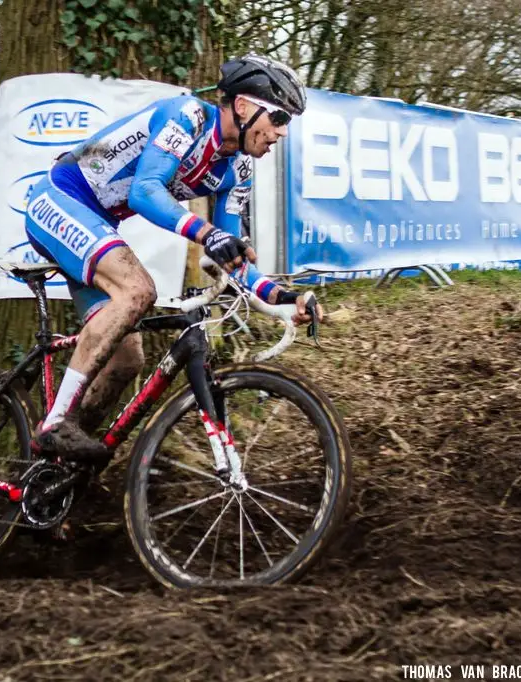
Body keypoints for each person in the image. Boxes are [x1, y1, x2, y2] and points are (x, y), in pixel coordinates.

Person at [22, 54, 321, 460]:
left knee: (127, 359)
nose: (281, 133)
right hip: (60, 198)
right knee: (138, 289)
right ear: (245, 106)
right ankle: (55, 424)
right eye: (280, 119)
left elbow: (230, 258)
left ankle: (56, 462)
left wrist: (284, 300)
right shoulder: (188, 116)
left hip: (96, 222)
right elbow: (144, 191)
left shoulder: (238, 171)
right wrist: (208, 234)